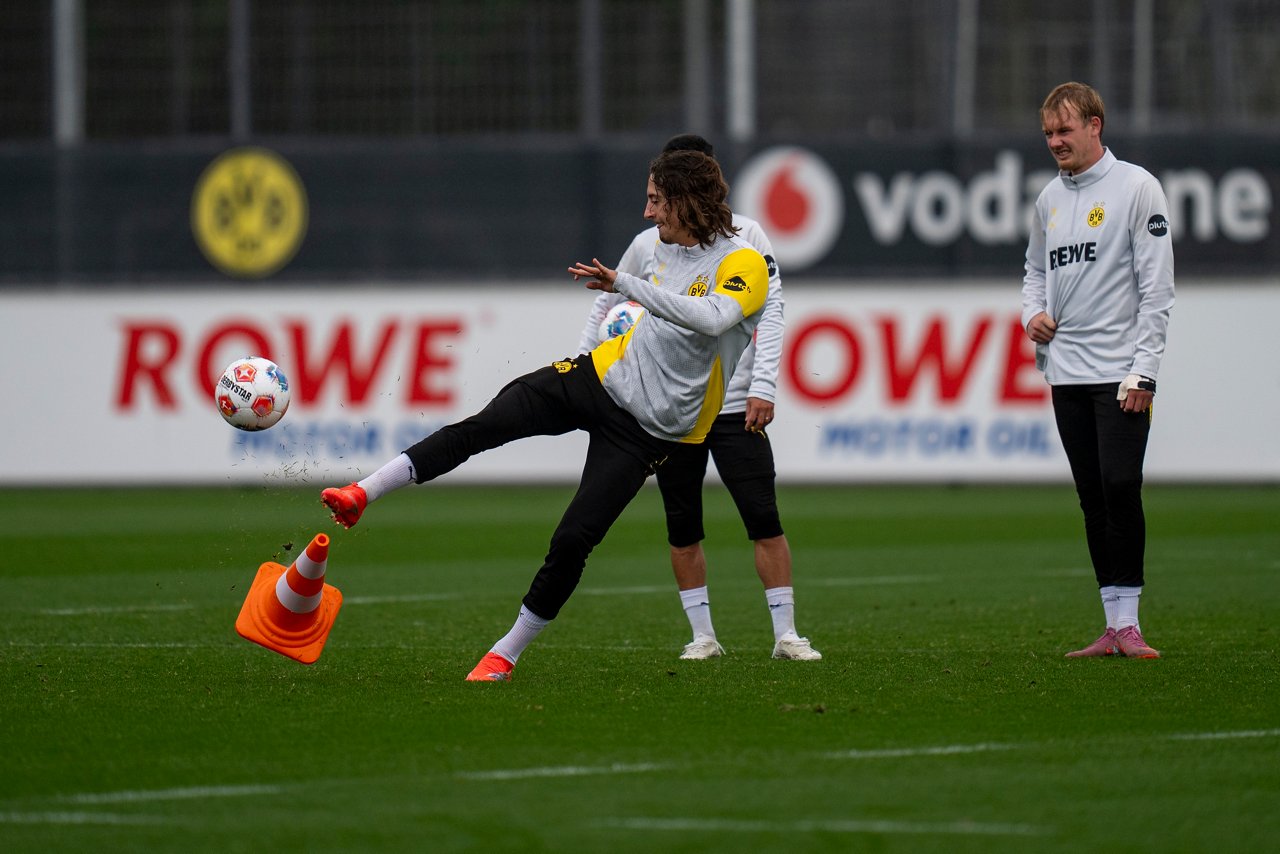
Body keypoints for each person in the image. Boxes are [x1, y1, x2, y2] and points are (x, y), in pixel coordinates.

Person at [321, 148, 770, 681]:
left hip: (650, 430)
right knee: (487, 424)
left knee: (574, 538)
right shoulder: (658, 249)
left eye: (655, 202)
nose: (647, 213)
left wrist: (628, 286)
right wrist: (614, 311)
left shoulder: (742, 262)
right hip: (598, 377)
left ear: (684, 201)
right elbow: (640, 304)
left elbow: (713, 319)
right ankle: (362, 493)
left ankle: (504, 654)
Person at [578, 134, 820, 662]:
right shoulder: (648, 245)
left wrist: (762, 385)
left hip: (734, 404)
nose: (652, 206)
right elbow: (608, 305)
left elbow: (772, 310)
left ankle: (786, 634)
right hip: (677, 410)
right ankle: (703, 637)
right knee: (682, 521)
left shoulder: (749, 236)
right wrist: (584, 366)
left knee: (763, 517)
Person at [1021, 82, 1175, 659]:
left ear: (1095, 125)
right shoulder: (1047, 201)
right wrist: (1031, 313)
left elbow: (1157, 290)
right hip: (1067, 371)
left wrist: (1145, 372)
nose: (1056, 142)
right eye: (1048, 134)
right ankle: (1112, 623)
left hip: (1121, 372)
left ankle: (1131, 621)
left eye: (1065, 130)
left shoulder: (1137, 187)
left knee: (1120, 484)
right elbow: (1034, 271)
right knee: (1091, 495)